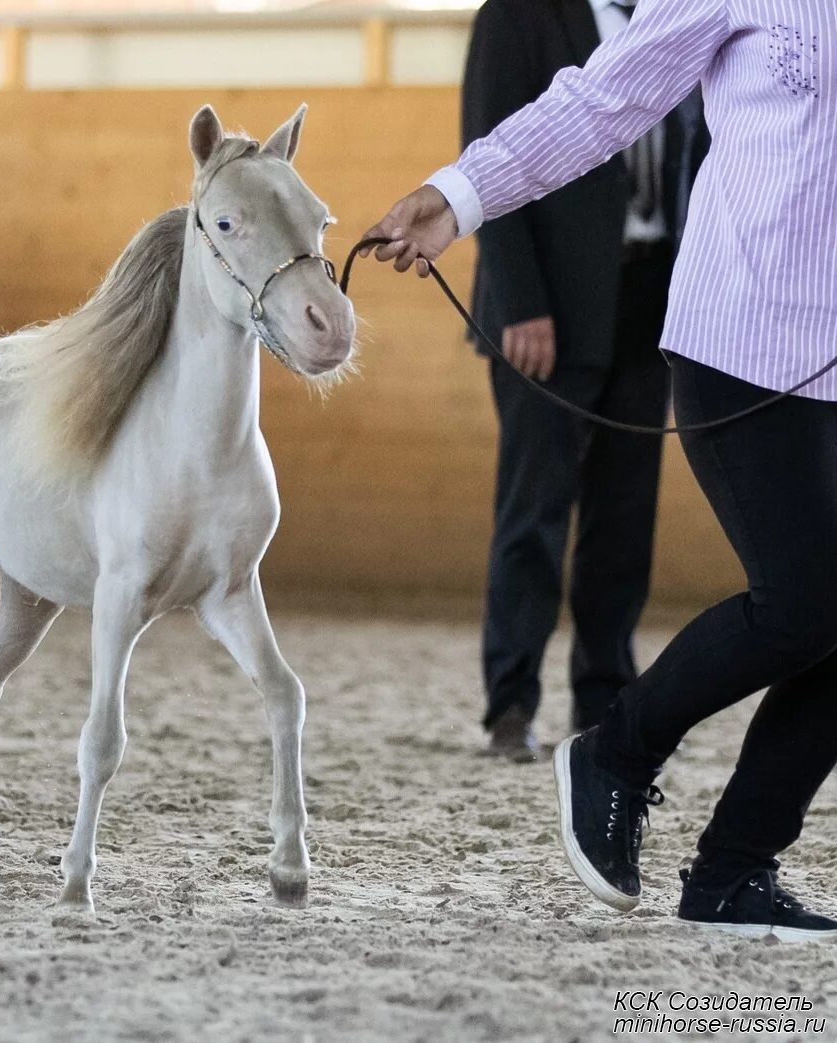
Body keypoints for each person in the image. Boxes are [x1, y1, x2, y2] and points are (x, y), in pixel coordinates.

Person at [366, 0, 837, 940]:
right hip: (741, 337)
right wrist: (461, 194)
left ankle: (733, 871)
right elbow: (603, 101)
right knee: (806, 601)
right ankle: (617, 751)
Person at [461, 0, 708, 761]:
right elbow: (488, 150)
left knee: (624, 518)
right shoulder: (517, 15)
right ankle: (511, 703)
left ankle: (605, 702)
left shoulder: (680, 16)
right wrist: (523, 303)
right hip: (548, 308)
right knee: (535, 509)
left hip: (648, 297)